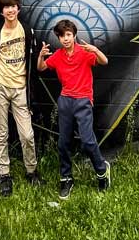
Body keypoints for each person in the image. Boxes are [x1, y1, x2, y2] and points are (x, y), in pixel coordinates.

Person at [37, 19, 111, 199]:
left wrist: (96, 50)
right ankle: (66, 178)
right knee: (63, 143)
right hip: (65, 101)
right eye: (61, 36)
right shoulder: (58, 55)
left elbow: (105, 61)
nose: (65, 39)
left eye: (68, 35)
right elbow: (41, 68)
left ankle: (102, 172)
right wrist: (41, 56)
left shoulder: (84, 52)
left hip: (83, 100)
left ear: (74, 35)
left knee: (87, 141)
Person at [0, 0, 41, 196]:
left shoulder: (27, 32)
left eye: (13, 6)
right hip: (0, 87)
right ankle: (4, 175)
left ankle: (32, 171)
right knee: (1, 134)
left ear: (18, 8)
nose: (10, 10)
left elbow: (33, 64)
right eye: (6, 7)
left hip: (20, 89)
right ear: (1, 12)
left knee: (27, 135)